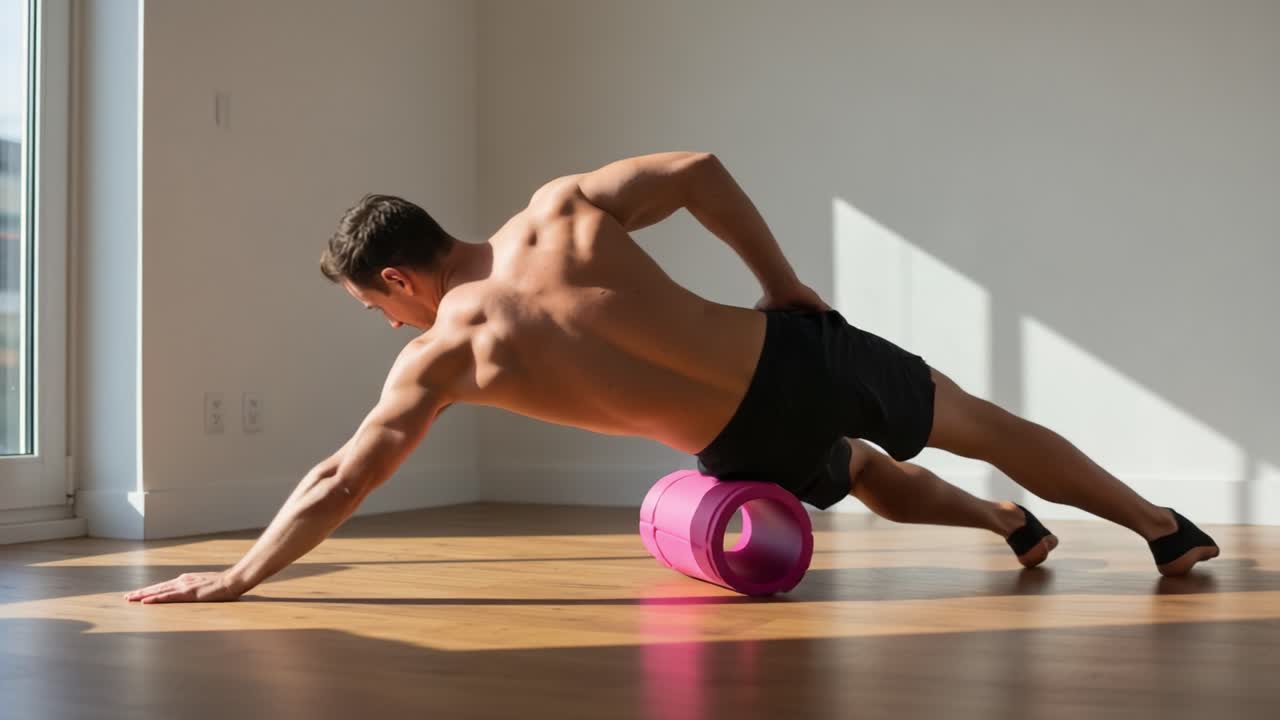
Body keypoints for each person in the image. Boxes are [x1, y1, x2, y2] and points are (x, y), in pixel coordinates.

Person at [125, 152, 1218, 603]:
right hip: (786, 354)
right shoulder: (558, 212)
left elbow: (339, 481)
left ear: (399, 276)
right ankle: (1157, 529)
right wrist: (781, 283)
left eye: (376, 307)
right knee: (972, 421)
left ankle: (1000, 527)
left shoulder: (442, 357)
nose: (385, 324)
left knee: (856, 476)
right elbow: (696, 169)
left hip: (733, 436)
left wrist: (239, 577)